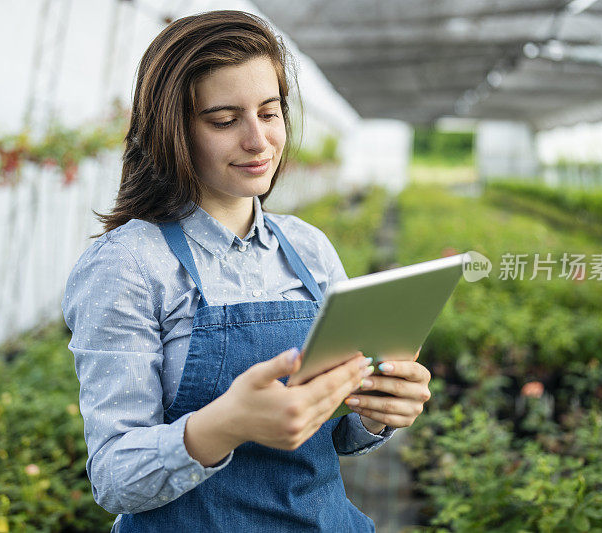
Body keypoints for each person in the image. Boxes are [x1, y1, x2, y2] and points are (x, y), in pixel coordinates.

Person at [62, 10, 431, 532]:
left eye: (270, 112)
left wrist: (375, 411)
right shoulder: (129, 265)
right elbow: (114, 475)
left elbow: (334, 435)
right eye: (224, 120)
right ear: (174, 130)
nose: (258, 141)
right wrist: (223, 425)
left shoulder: (308, 247)